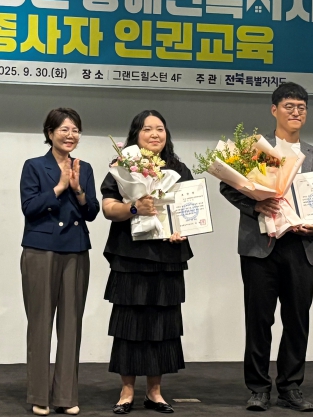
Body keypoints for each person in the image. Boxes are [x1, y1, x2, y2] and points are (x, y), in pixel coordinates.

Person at [220, 83, 313, 412]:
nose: (296, 112)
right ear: (274, 110)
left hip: (300, 246)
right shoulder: (257, 148)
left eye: (301, 107)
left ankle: (291, 387)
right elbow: (228, 185)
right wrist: (255, 207)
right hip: (260, 246)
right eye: (289, 106)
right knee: (258, 319)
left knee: (297, 319)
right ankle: (258, 388)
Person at [101, 110, 193, 415]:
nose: (155, 134)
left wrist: (182, 229)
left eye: (160, 129)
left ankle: (155, 391)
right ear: (136, 135)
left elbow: (190, 209)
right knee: (129, 325)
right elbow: (109, 208)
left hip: (167, 256)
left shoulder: (178, 168)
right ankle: (126, 391)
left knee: (162, 325)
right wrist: (134, 208)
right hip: (130, 256)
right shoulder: (122, 166)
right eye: (147, 129)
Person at [19, 108, 100, 416]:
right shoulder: (34, 166)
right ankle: (39, 395)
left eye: (75, 130)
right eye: (64, 129)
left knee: (71, 325)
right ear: (50, 133)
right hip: (41, 249)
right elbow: (29, 208)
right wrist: (59, 187)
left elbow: (92, 211)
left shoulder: (85, 168)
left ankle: (66, 395)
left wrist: (78, 190)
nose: (71, 135)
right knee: (40, 323)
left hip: (76, 249)